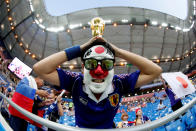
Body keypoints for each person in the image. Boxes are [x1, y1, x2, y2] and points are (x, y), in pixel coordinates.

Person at [33, 37, 162, 129]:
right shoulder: (75, 81)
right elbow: (39, 68)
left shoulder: (119, 83)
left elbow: (155, 71)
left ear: (113, 68)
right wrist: (80, 49)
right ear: (83, 67)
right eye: (91, 64)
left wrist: (118, 52)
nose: (99, 71)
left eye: (106, 64)